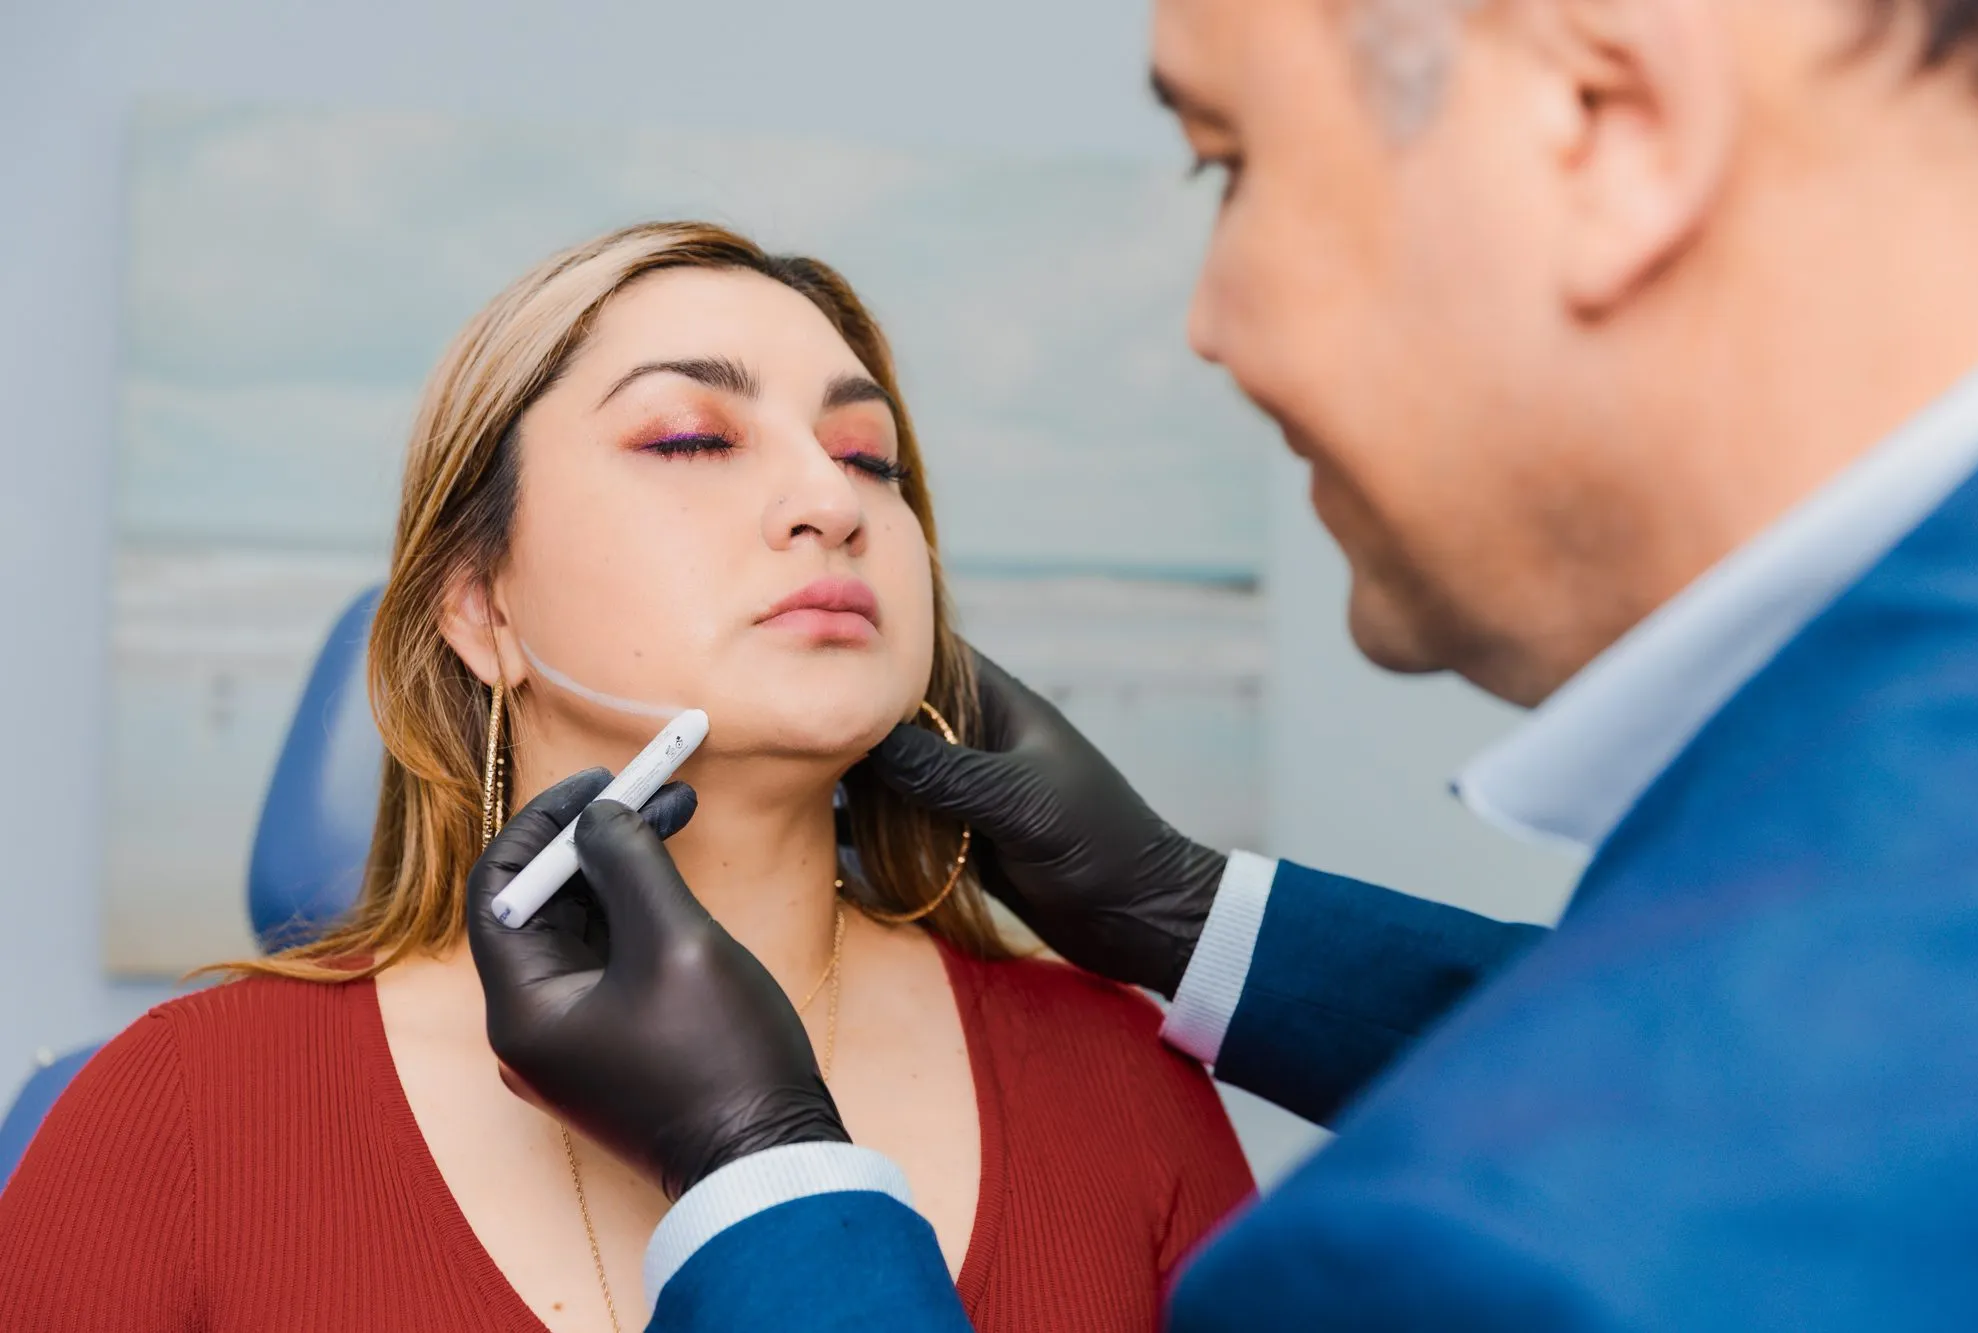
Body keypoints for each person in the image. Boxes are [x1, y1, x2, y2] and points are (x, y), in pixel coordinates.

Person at [466, 2, 1978, 1329]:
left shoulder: (1464, 1243)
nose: (1206, 327)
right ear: (471, 606)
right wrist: (1187, 912)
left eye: (1231, 162)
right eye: (691, 437)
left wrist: (758, 1170)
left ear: (1602, 121)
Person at [0, 222, 1258, 1330]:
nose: (829, 500)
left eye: (867, 456)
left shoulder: (1122, 1082)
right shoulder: (166, 1113)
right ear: (480, 606)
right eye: (691, 438)